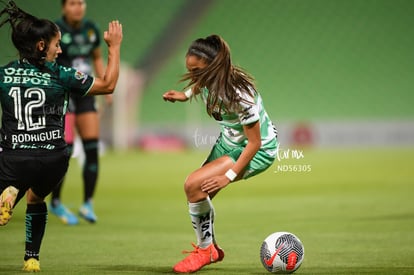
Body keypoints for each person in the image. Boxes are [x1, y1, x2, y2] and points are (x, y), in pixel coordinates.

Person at [0, 0, 122, 272]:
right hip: (54, 158)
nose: (61, 48)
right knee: (37, 198)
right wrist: (114, 47)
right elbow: (109, 84)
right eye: (57, 44)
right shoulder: (61, 74)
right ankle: (32, 258)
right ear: (42, 46)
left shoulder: (4, 73)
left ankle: (11, 190)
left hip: (14, 155)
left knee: (13, 187)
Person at [162, 34, 278, 273]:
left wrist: (229, 176)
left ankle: (206, 252)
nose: (194, 77)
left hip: (257, 149)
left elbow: (254, 143)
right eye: (190, 70)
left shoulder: (239, 94)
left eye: (198, 71)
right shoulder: (207, 78)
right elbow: (200, 83)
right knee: (200, 196)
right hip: (228, 142)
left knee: (193, 185)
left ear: (214, 67)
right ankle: (210, 248)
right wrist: (185, 95)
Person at [49, 0, 109, 225]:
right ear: (64, 7)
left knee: (92, 147)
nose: (78, 7)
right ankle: (55, 202)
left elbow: (96, 58)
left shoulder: (91, 29)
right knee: (66, 149)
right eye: (72, 3)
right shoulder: (55, 30)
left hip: (86, 92)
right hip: (64, 93)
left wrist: (104, 86)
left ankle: (88, 203)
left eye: (81, 3)